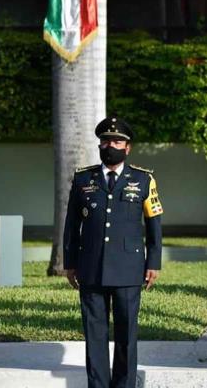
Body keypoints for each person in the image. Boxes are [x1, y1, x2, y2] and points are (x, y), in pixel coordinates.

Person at [62, 116, 163, 388]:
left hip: (129, 269)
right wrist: (70, 263)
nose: (111, 145)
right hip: (91, 268)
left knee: (126, 335)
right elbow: (72, 225)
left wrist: (153, 263)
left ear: (127, 148)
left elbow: (154, 226)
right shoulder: (83, 178)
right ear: (99, 145)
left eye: (118, 141)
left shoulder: (143, 180)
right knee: (94, 334)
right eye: (106, 140)